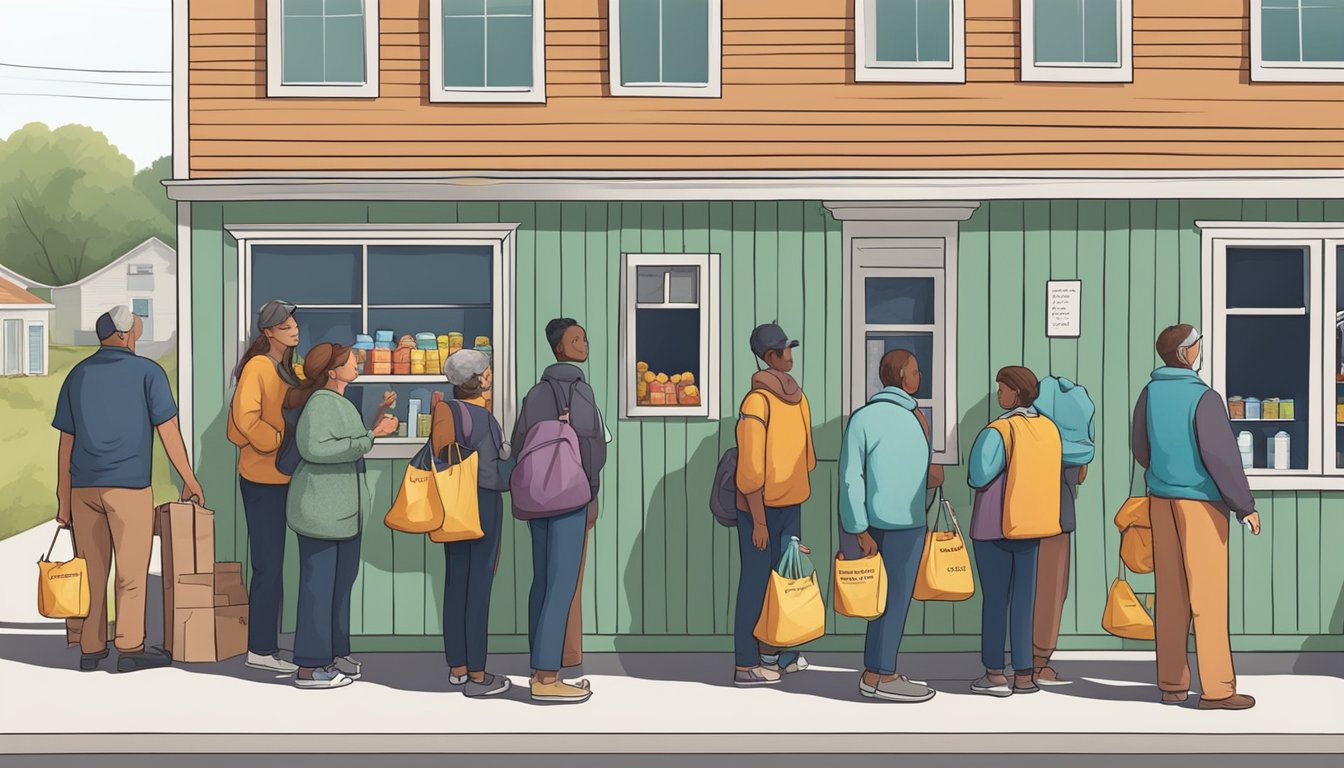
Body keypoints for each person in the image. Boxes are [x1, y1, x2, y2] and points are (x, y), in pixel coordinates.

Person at [52, 305, 204, 673]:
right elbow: (169, 432)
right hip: (129, 488)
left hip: (84, 489)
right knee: (131, 573)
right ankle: (130, 647)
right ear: (123, 335)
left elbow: (66, 442)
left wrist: (62, 497)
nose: (137, 334)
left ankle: (91, 648)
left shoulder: (78, 374)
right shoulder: (148, 373)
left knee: (91, 571)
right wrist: (189, 477)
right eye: (136, 329)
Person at [1132, 325, 1260, 711]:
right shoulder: (1203, 398)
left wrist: (1164, 474)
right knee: (1207, 596)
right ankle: (1218, 689)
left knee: (1170, 596)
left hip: (1160, 500)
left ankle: (1171, 683)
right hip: (1201, 505)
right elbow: (1221, 458)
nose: (1201, 351)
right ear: (1187, 354)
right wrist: (1244, 505)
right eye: (1198, 346)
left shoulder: (1149, 393)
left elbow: (1139, 446)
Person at [285, 343, 399, 689]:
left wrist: (375, 422)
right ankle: (309, 667)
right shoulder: (320, 403)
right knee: (318, 590)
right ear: (333, 370)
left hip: (345, 515)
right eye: (350, 360)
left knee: (339, 588)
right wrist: (372, 437)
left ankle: (335, 654)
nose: (357, 363)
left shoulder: (339, 402)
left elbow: (349, 439)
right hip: (321, 513)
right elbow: (315, 449)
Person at [511, 318, 608, 703]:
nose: (584, 344)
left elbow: (519, 443)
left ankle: (539, 661)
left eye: (584, 337)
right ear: (560, 348)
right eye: (576, 339)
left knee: (542, 581)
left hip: (536, 498)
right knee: (562, 583)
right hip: (570, 497)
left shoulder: (534, 394)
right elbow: (592, 448)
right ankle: (547, 678)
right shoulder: (581, 392)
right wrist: (592, 491)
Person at [838, 349, 942, 702]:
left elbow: (853, 478)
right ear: (901, 377)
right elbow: (851, 477)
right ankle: (881, 675)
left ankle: (877, 671)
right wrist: (860, 529)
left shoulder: (864, 418)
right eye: (915, 370)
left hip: (876, 523)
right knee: (892, 601)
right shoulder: (916, 420)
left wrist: (858, 526)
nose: (920, 376)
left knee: (883, 601)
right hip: (906, 523)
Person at [967, 366, 1062, 697]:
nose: (999, 394)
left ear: (1016, 393)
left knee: (995, 600)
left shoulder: (998, 431)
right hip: (1032, 525)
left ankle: (994, 674)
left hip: (993, 526)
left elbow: (978, 475)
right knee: (1024, 601)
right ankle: (1024, 674)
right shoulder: (1049, 429)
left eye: (1003, 389)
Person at [733, 321, 817, 688]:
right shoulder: (757, 402)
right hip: (761, 510)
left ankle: (781, 655)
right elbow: (750, 469)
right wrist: (760, 521)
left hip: (790, 504)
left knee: (787, 580)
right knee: (755, 583)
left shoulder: (798, 398)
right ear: (770, 357)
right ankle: (746, 663)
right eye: (785, 350)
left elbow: (808, 457)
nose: (790, 356)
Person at [432, 350, 513, 698]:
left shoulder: (444, 411)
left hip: (452, 502)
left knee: (455, 583)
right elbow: (498, 470)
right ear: (478, 380)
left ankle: (458, 667)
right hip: (482, 504)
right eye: (486, 371)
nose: (490, 374)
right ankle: (479, 675)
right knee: (479, 588)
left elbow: (439, 451)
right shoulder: (485, 418)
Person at [227, 299, 302, 674]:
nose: (293, 328)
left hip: (285, 476)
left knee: (277, 564)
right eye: (284, 324)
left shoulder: (287, 368)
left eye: (293, 322)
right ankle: (260, 648)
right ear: (268, 332)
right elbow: (244, 418)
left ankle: (269, 645)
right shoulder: (258, 366)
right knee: (268, 565)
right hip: (262, 477)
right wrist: (274, 440)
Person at [1031, 376, 1096, 686]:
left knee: (1023, 592)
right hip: (1058, 520)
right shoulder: (1076, 448)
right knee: (1052, 592)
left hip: (1021, 520)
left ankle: (1021, 660)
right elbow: (1080, 474)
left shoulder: (1025, 431)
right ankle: (1040, 661)